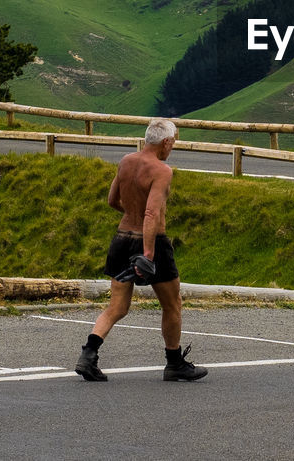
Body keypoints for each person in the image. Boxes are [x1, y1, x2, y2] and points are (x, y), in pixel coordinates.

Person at [75, 118, 207, 382]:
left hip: (121, 238)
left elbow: (112, 200)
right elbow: (151, 213)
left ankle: (88, 355)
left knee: (117, 307)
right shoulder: (162, 170)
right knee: (172, 304)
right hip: (152, 242)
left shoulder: (126, 161)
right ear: (166, 142)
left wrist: (131, 215)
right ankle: (174, 363)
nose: (173, 148)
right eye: (173, 143)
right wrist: (147, 252)